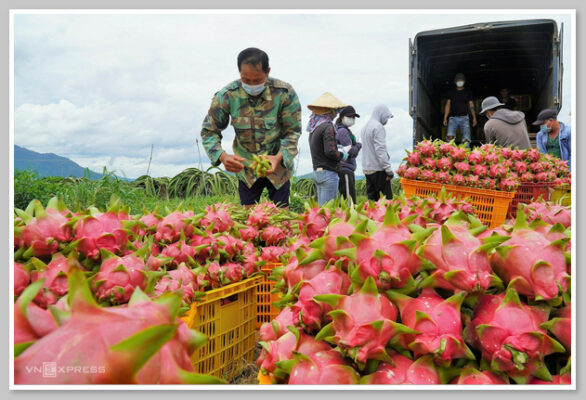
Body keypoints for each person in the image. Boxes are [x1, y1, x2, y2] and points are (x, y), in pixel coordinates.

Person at [200, 47, 301, 208]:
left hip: (278, 169)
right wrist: (222, 156)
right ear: (239, 73)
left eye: (257, 80)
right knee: (249, 222)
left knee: (282, 220)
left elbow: (292, 132)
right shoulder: (227, 95)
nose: (252, 85)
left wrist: (278, 157)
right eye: (246, 80)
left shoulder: (284, 93)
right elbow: (209, 132)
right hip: (246, 170)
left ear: (267, 72)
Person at [307, 92, 348, 207]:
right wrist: (342, 155)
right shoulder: (327, 126)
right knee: (328, 211)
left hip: (317, 171)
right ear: (329, 111)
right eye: (335, 110)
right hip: (328, 172)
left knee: (322, 209)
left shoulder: (314, 127)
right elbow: (330, 151)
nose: (336, 113)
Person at [361, 104, 394, 201]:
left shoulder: (365, 127)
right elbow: (380, 150)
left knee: (373, 204)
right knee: (386, 204)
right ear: (381, 114)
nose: (386, 120)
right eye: (386, 117)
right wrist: (388, 170)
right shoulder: (377, 127)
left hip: (368, 170)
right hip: (378, 171)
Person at [334, 105, 362, 204]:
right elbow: (350, 152)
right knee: (349, 202)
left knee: (348, 199)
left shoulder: (344, 130)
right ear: (342, 118)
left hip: (346, 168)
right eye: (349, 117)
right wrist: (359, 145)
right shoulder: (343, 131)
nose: (352, 119)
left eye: (353, 117)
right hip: (345, 169)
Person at [443, 72, 477, 146]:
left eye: (461, 80)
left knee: (466, 139)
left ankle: (466, 154)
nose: (460, 81)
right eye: (458, 80)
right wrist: (445, 117)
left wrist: (474, 117)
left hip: (465, 118)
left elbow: (471, 105)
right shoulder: (451, 92)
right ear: (455, 82)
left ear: (464, 81)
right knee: (450, 137)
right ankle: (450, 153)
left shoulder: (468, 92)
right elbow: (447, 105)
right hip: (453, 118)